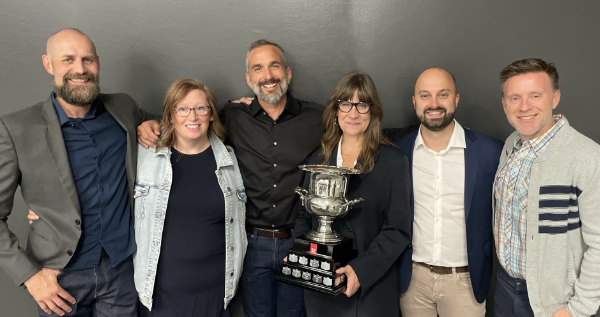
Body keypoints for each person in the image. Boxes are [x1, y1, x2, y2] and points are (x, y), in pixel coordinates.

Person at [135, 40, 414, 317]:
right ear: (249, 78)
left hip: (299, 241)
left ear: (288, 73)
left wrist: (425, 131)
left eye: (274, 66)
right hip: (252, 243)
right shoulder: (232, 115)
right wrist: (154, 124)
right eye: (258, 68)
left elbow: (361, 127)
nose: (267, 75)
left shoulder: (317, 117)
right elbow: (190, 119)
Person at [0, 28, 158, 316]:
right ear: (49, 64)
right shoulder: (16, 129)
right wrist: (29, 276)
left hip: (122, 270)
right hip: (58, 279)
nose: (80, 69)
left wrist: (151, 125)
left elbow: (181, 125)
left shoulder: (124, 107)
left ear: (97, 62)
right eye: (68, 60)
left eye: (88, 60)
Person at [294, 71, 411, 317]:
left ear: (373, 112)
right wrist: (301, 255)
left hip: (370, 291)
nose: (353, 113)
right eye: (346, 103)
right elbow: (304, 215)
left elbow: (398, 229)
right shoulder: (318, 160)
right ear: (336, 111)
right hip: (322, 290)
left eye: (362, 104)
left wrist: (360, 270)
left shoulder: (393, 162)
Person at [494, 58, 600, 317]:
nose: (524, 107)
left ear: (555, 98)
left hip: (556, 304)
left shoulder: (587, 157)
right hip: (506, 289)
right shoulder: (511, 144)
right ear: (504, 104)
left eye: (535, 95)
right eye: (515, 98)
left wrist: (576, 310)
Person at [394, 67, 503, 317]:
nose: (434, 103)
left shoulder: (490, 152)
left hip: (466, 281)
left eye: (443, 95)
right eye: (425, 95)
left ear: (456, 99)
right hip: (413, 280)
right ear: (414, 102)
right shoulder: (399, 153)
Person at [133, 78, 246, 316]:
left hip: (215, 296)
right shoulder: (145, 157)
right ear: (170, 115)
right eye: (182, 109)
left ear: (211, 114)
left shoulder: (230, 161)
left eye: (201, 108)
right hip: (159, 297)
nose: (192, 116)